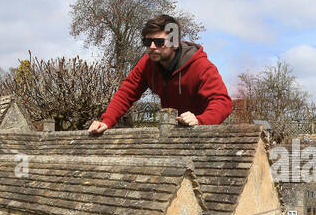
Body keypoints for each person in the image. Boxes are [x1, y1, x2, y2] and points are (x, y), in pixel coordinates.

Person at [89, 15, 232, 133]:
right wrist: (106, 121)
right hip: (170, 133)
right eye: (147, 41)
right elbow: (126, 92)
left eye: (158, 42)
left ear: (174, 43)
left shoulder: (201, 66)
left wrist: (201, 120)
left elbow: (222, 102)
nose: (151, 47)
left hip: (203, 134)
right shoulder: (147, 64)